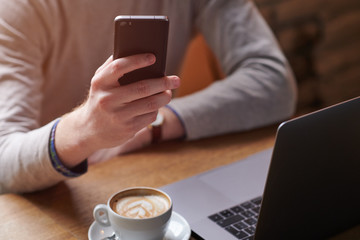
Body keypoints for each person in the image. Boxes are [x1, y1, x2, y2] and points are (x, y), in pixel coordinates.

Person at [0, 0, 297, 194]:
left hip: (148, 180)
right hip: (47, 198)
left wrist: (151, 127)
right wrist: (86, 129)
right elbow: (4, 160)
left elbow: (273, 82)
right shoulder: (20, 8)